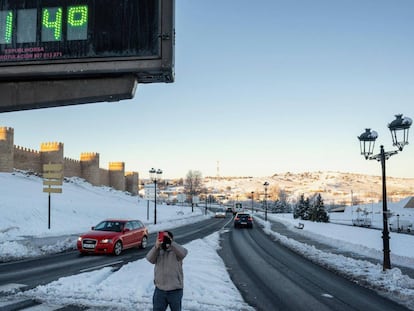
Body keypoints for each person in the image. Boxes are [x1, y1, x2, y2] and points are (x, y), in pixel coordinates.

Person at [146, 231, 188, 311]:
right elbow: (149, 259)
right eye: (162, 237)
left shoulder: (176, 251)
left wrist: (171, 243)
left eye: (166, 237)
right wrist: (156, 246)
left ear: (171, 239)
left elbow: (184, 253)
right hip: (160, 290)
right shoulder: (158, 251)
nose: (164, 239)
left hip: (175, 290)